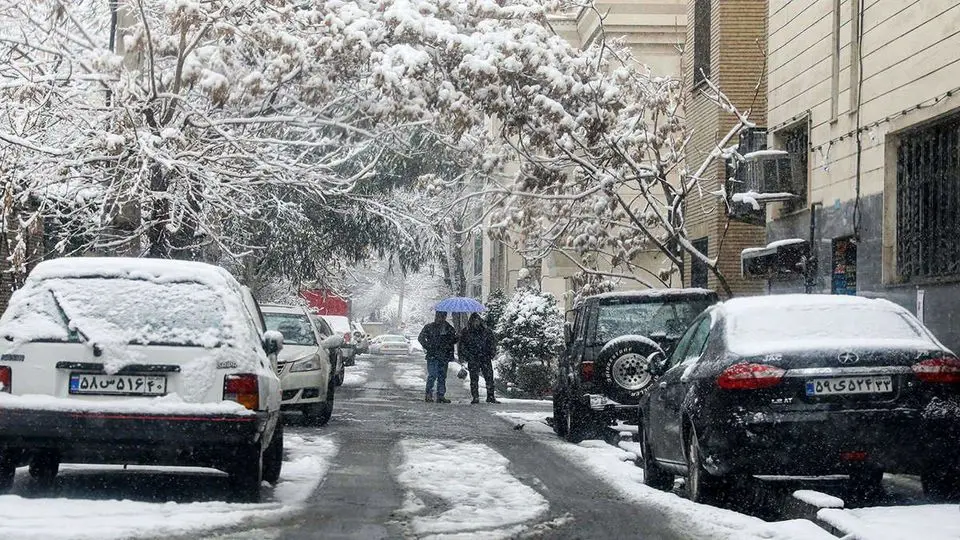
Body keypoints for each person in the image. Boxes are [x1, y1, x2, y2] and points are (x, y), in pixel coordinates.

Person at [458, 313, 499, 404]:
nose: (476, 322)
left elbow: (492, 342)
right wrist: (466, 356)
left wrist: (491, 353)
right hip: (473, 358)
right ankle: (475, 397)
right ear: (471, 321)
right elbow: (462, 345)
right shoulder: (466, 331)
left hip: (485, 357)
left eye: (477, 320)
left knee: (489, 377)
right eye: (474, 320)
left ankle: (490, 396)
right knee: (474, 378)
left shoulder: (486, 331)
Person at [418, 311, 457, 404]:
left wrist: (457, 337)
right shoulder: (429, 327)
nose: (440, 318)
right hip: (433, 355)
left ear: (445, 317)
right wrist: (429, 347)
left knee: (442, 376)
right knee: (433, 375)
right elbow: (421, 338)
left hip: (444, 356)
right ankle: (429, 394)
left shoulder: (449, 328)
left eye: (442, 317)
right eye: (438, 316)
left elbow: (452, 341)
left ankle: (440, 395)